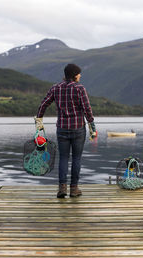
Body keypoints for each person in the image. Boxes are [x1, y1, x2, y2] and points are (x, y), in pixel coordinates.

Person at [35, 63, 96, 198]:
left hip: (62, 128)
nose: (80, 75)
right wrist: (92, 125)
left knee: (63, 158)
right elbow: (87, 109)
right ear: (74, 75)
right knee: (76, 158)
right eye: (79, 73)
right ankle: (74, 189)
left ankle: (62, 188)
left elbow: (44, 104)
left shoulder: (56, 88)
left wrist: (39, 119)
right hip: (78, 128)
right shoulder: (80, 88)